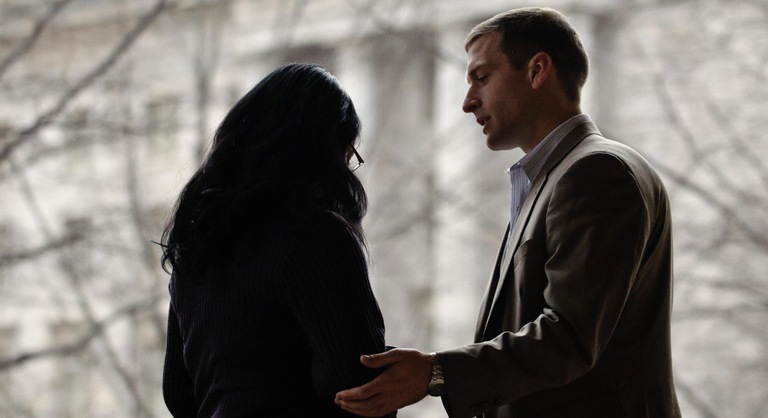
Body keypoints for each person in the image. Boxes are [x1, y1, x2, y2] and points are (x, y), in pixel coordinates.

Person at [335, 7, 681, 418]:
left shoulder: (596, 173)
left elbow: (567, 337)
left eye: (481, 78)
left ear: (537, 71)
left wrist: (435, 373)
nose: (466, 102)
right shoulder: (557, 175)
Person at [160, 63, 395, 417]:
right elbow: (357, 383)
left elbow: (178, 393)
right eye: (348, 155)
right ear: (323, 153)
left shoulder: (197, 243)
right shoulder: (315, 236)